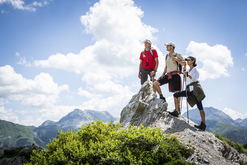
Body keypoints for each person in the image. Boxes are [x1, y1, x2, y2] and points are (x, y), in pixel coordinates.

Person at [172, 56, 206, 131]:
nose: (187, 61)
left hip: (195, 90)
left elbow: (195, 79)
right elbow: (186, 80)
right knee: (175, 95)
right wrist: (185, 74)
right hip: (189, 90)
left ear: (193, 61)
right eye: (187, 60)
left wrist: (187, 75)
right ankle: (176, 111)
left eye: (188, 60)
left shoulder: (195, 70)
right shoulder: (188, 70)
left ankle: (203, 124)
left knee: (200, 107)